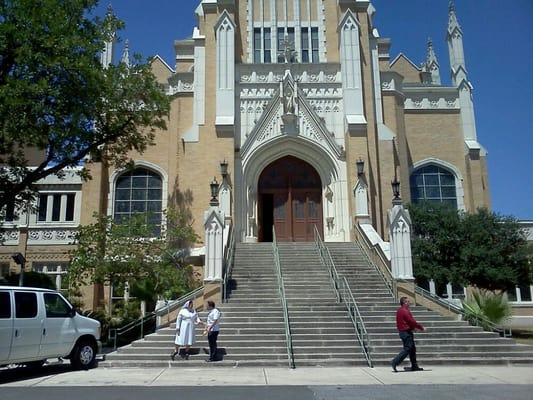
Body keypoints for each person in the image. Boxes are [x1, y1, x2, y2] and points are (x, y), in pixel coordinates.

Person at [391, 296, 425, 372]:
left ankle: (414, 366)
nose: (410, 303)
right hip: (406, 332)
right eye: (408, 301)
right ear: (405, 302)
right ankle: (395, 362)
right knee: (408, 348)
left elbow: (406, 322)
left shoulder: (400, 310)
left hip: (404, 331)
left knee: (412, 349)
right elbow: (411, 321)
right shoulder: (404, 311)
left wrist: (413, 328)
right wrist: (421, 328)